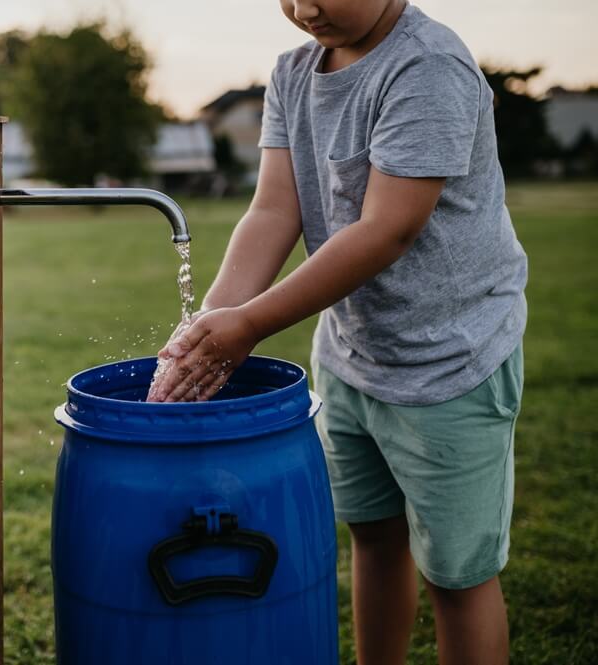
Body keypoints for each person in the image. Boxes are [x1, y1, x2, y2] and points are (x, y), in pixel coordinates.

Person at [146, 1, 527, 663]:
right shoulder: (295, 71)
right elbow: (272, 209)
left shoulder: (427, 64)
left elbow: (388, 229)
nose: (305, 8)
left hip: (449, 366)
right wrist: (209, 323)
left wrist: (251, 325)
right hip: (352, 358)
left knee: (457, 574)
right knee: (375, 538)